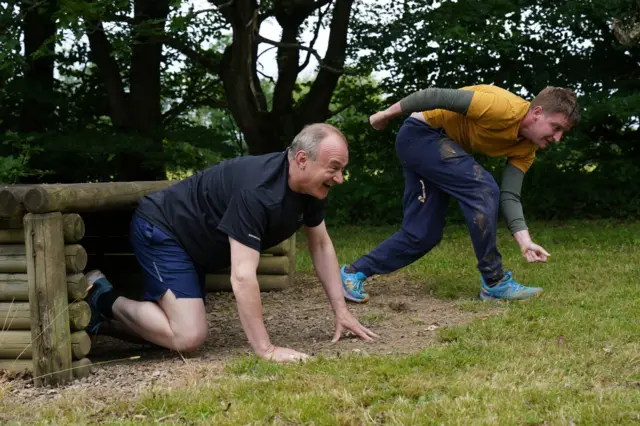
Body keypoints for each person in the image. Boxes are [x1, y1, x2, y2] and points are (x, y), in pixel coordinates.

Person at [85, 123, 378, 362]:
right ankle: (101, 296)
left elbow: (322, 246)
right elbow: (241, 275)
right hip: (163, 230)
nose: (340, 179)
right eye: (334, 168)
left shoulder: (310, 189)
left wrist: (341, 310)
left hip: (195, 245)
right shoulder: (257, 191)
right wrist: (266, 349)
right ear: (302, 159)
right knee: (188, 336)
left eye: (342, 169)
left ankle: (99, 321)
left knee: (173, 334)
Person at [340, 85, 580, 303]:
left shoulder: (526, 148)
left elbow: (509, 196)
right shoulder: (503, 108)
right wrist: (385, 115)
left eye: (563, 132)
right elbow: (434, 95)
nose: (558, 138)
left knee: (422, 234)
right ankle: (494, 281)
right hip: (421, 134)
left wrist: (525, 241)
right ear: (536, 112)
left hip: (436, 146)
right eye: (556, 127)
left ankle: (353, 273)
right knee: (482, 188)